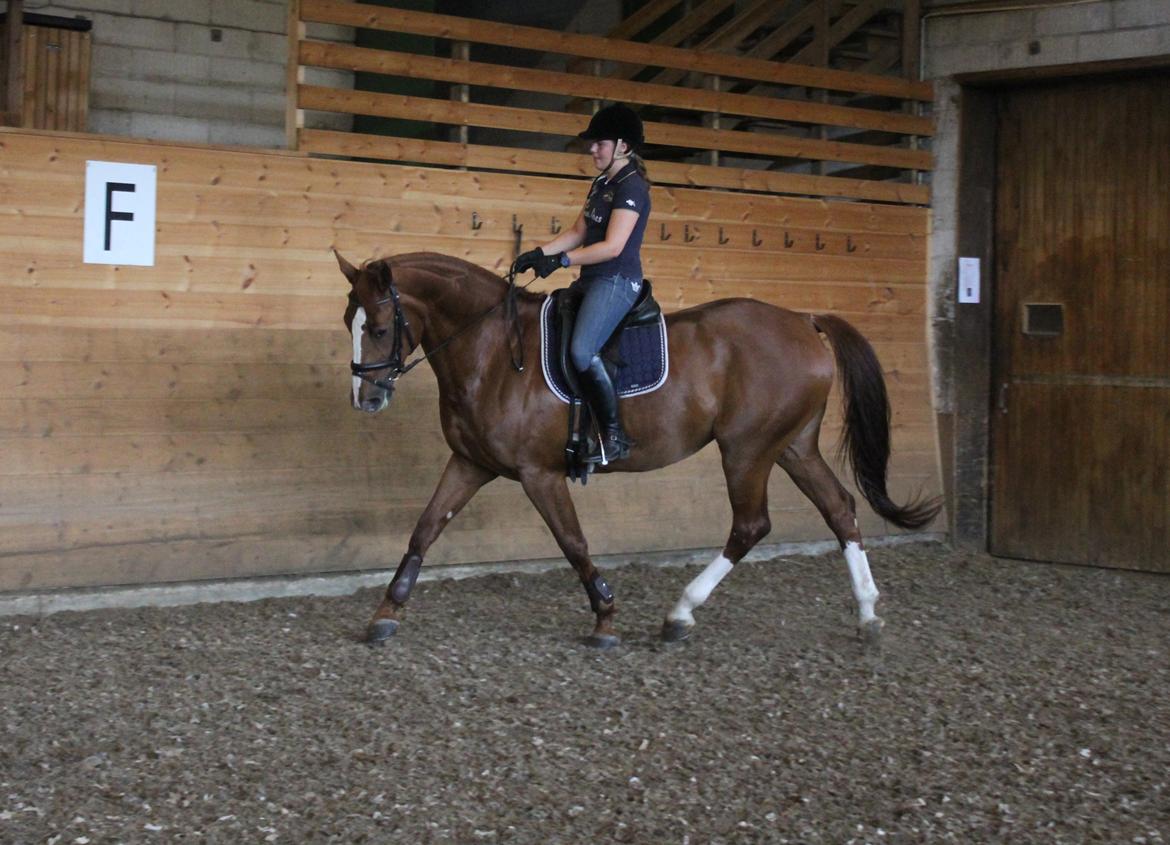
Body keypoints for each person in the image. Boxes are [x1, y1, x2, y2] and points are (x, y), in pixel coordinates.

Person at [514, 103, 651, 465]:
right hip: (591, 279)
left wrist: (561, 261)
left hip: (617, 280)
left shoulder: (632, 187)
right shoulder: (601, 183)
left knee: (581, 351)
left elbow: (612, 246)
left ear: (623, 146)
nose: (592, 149)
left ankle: (613, 436)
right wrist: (538, 253)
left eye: (599, 144)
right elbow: (578, 232)